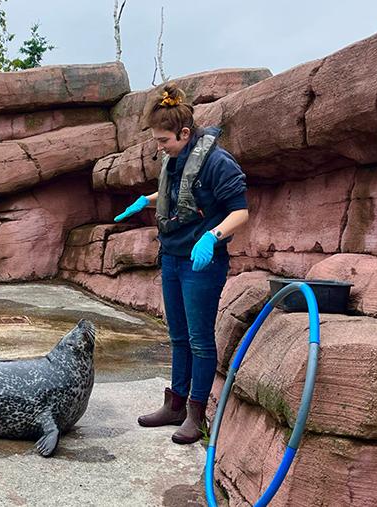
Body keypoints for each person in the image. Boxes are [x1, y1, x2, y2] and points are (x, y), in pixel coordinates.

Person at [114, 83, 249, 445]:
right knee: (177, 336)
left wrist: (213, 237)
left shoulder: (219, 162)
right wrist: (146, 200)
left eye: (163, 140)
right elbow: (180, 192)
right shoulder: (176, 159)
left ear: (185, 133)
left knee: (200, 340)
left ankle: (195, 414)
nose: (160, 147)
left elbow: (240, 211)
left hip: (201, 261)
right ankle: (174, 403)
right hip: (172, 256)